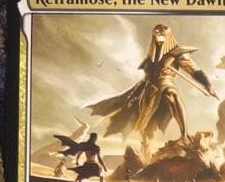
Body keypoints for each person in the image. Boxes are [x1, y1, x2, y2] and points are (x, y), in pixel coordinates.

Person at [88, 24, 217, 158]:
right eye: (157, 36)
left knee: (172, 95)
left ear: (168, 37)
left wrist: (207, 84)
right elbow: (146, 79)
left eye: (162, 36)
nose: (160, 39)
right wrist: (133, 96)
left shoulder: (177, 52)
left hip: (166, 82)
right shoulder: (151, 59)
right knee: (144, 123)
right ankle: (146, 151)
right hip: (149, 89)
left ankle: (184, 135)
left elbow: (193, 70)